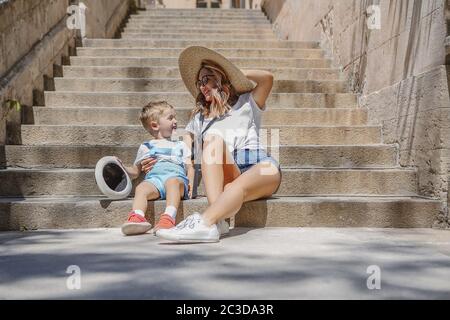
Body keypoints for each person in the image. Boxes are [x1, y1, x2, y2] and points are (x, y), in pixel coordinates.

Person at [151, 46, 282, 243]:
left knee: (235, 188)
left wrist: (234, 73)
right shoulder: (199, 118)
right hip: (229, 169)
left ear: (220, 77)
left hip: (259, 164)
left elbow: (267, 78)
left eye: (206, 79)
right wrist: (160, 159)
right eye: (199, 82)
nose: (201, 86)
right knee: (212, 140)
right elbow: (186, 147)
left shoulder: (247, 103)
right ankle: (217, 222)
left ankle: (206, 221)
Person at [118, 101, 195, 236]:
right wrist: (122, 167)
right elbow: (136, 172)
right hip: (156, 182)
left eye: (175, 117)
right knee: (141, 188)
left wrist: (191, 184)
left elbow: (190, 167)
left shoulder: (180, 144)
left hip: (177, 180)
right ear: (155, 125)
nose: (175, 121)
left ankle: (168, 218)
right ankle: (137, 217)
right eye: (170, 118)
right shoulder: (146, 147)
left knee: (172, 182)